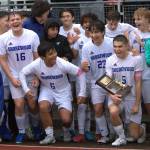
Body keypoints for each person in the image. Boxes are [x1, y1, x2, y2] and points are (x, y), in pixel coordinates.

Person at [19, 41, 86, 144]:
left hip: (63, 91)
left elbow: (80, 73)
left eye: (54, 52)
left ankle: (66, 131)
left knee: (66, 120)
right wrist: (26, 89)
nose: (54, 55)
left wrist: (82, 93)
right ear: (42, 57)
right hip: (47, 90)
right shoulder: (37, 64)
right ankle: (50, 136)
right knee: (43, 106)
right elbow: (22, 72)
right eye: (50, 54)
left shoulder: (62, 63)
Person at [0, 11, 40, 144]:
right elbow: (3, 60)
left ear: (22, 21)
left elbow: (37, 57)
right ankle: (22, 132)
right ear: (9, 23)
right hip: (15, 75)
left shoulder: (32, 35)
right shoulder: (3, 38)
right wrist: (11, 78)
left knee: (33, 104)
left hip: (30, 74)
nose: (15, 22)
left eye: (17, 19)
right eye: (12, 20)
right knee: (19, 104)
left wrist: (37, 76)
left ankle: (35, 128)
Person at [105, 35, 145, 146]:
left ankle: (142, 129)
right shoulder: (110, 60)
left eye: (120, 46)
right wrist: (112, 95)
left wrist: (137, 103)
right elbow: (107, 81)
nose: (117, 49)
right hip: (117, 94)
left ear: (127, 46)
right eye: (115, 46)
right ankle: (121, 137)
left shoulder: (136, 59)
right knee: (113, 111)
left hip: (131, 97)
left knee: (135, 135)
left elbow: (138, 82)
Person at [81, 19, 114, 143]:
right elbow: (85, 67)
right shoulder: (86, 47)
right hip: (96, 81)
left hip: (111, 80)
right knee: (98, 109)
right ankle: (105, 135)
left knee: (112, 109)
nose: (94, 35)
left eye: (97, 32)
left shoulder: (111, 43)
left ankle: (116, 133)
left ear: (103, 32)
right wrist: (83, 67)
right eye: (92, 32)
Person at [72, 13, 98, 143]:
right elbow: (74, 55)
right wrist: (70, 44)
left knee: (96, 105)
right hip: (81, 77)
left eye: (90, 22)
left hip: (96, 77)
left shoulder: (99, 38)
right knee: (82, 105)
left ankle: (98, 132)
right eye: (85, 22)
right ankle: (82, 132)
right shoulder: (79, 39)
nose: (87, 24)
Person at [128, 8, 150, 116]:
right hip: (135, 75)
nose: (136, 21)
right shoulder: (133, 33)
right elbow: (129, 51)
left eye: (139, 19)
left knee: (148, 104)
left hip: (148, 75)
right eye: (135, 19)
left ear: (147, 19)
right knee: (134, 104)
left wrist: (142, 44)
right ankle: (138, 128)